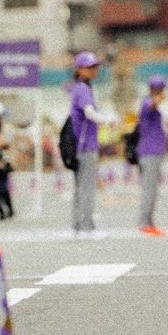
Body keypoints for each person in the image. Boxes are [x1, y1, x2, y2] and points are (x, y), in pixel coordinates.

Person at [67, 50, 109, 235]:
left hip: (79, 146)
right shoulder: (83, 89)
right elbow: (89, 112)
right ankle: (86, 226)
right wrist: (106, 120)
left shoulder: (79, 88)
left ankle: (78, 224)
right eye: (90, 67)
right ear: (80, 70)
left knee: (80, 187)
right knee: (87, 188)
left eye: (95, 66)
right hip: (85, 146)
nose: (94, 70)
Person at [135, 75, 168, 235]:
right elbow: (151, 104)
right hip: (149, 152)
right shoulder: (146, 103)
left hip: (154, 152)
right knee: (149, 189)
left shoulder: (151, 105)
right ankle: (144, 222)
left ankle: (149, 222)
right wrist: (158, 98)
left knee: (152, 189)